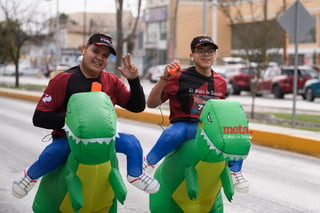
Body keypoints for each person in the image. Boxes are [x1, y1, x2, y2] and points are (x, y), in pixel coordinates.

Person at [12, 32, 159, 198]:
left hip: (105, 141)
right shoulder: (63, 80)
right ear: (84, 50)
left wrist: (134, 80)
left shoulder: (111, 81)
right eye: (95, 51)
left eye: (105, 55)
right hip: (70, 141)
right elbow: (39, 117)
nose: (99, 58)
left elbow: (137, 106)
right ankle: (29, 177)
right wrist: (72, 122)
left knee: (132, 142)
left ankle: (135, 175)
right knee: (53, 153)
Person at [143, 35, 249, 193]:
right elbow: (151, 103)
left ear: (214, 55)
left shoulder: (221, 82)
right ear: (192, 55)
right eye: (201, 50)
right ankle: (148, 164)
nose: (206, 54)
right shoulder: (178, 77)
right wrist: (165, 77)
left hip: (209, 129)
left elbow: (222, 113)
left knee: (239, 134)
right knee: (174, 133)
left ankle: (236, 171)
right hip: (185, 126)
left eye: (210, 51)